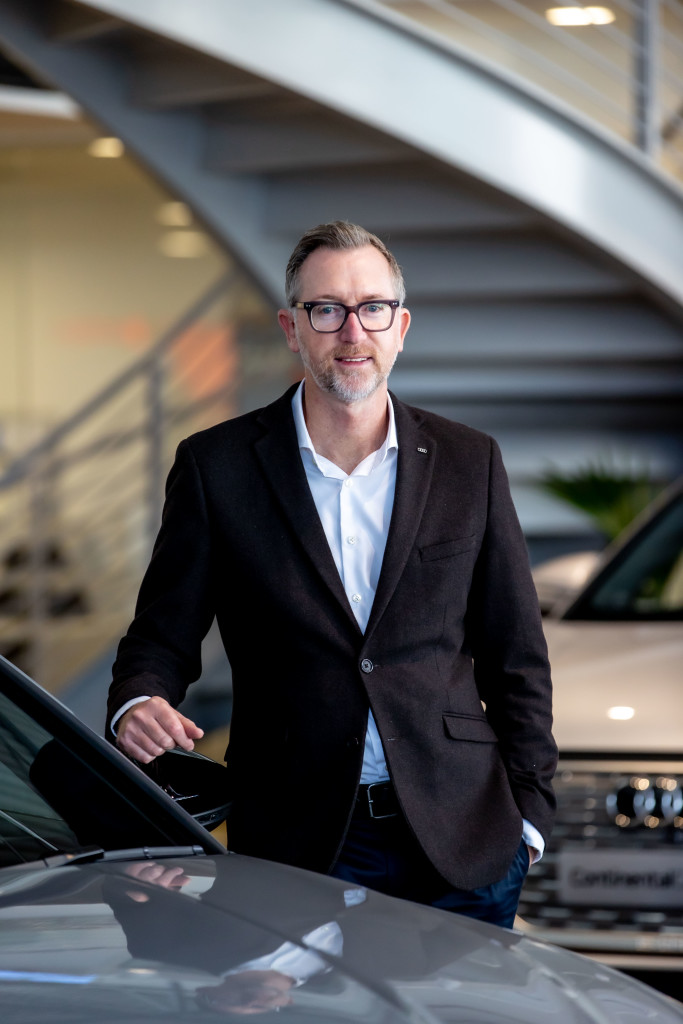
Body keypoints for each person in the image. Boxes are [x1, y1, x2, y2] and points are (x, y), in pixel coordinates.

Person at [108, 220, 557, 927]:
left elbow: (516, 655)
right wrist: (138, 701)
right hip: (298, 838)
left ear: (400, 327)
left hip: (462, 839)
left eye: (372, 308)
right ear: (292, 328)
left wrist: (528, 819)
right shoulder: (216, 467)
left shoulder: (470, 462)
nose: (353, 332)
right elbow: (160, 637)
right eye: (326, 310)